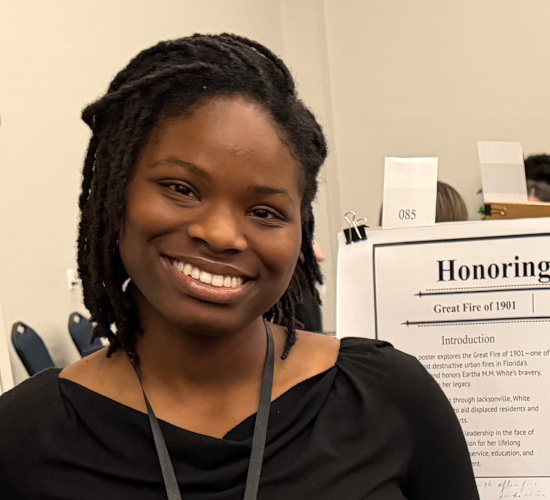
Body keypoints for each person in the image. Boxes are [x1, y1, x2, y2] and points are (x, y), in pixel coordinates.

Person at [0, 34, 477, 498]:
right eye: (181, 188)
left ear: (300, 232)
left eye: (265, 212)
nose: (223, 234)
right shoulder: (22, 439)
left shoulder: (389, 400)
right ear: (116, 195)